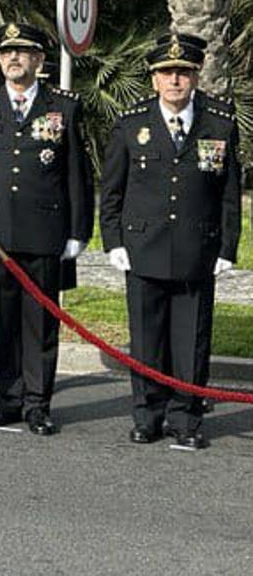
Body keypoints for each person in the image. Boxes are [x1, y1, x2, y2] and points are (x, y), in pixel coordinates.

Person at [100, 32, 240, 451]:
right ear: (154, 79)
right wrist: (113, 241)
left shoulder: (219, 123)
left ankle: (186, 418)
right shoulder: (132, 123)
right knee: (146, 339)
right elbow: (112, 191)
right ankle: (147, 415)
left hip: (197, 249)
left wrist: (227, 247)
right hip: (143, 249)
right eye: (166, 73)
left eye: (183, 72)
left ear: (196, 76)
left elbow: (229, 193)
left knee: (191, 340)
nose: (175, 80)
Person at [0, 22, 93, 435]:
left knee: (40, 322)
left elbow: (78, 175)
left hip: (44, 231)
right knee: (2, 319)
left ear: (38, 60)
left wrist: (77, 232)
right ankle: (8, 398)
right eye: (6, 52)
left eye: (22, 52)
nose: (13, 59)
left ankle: (37, 402)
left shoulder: (64, 107)